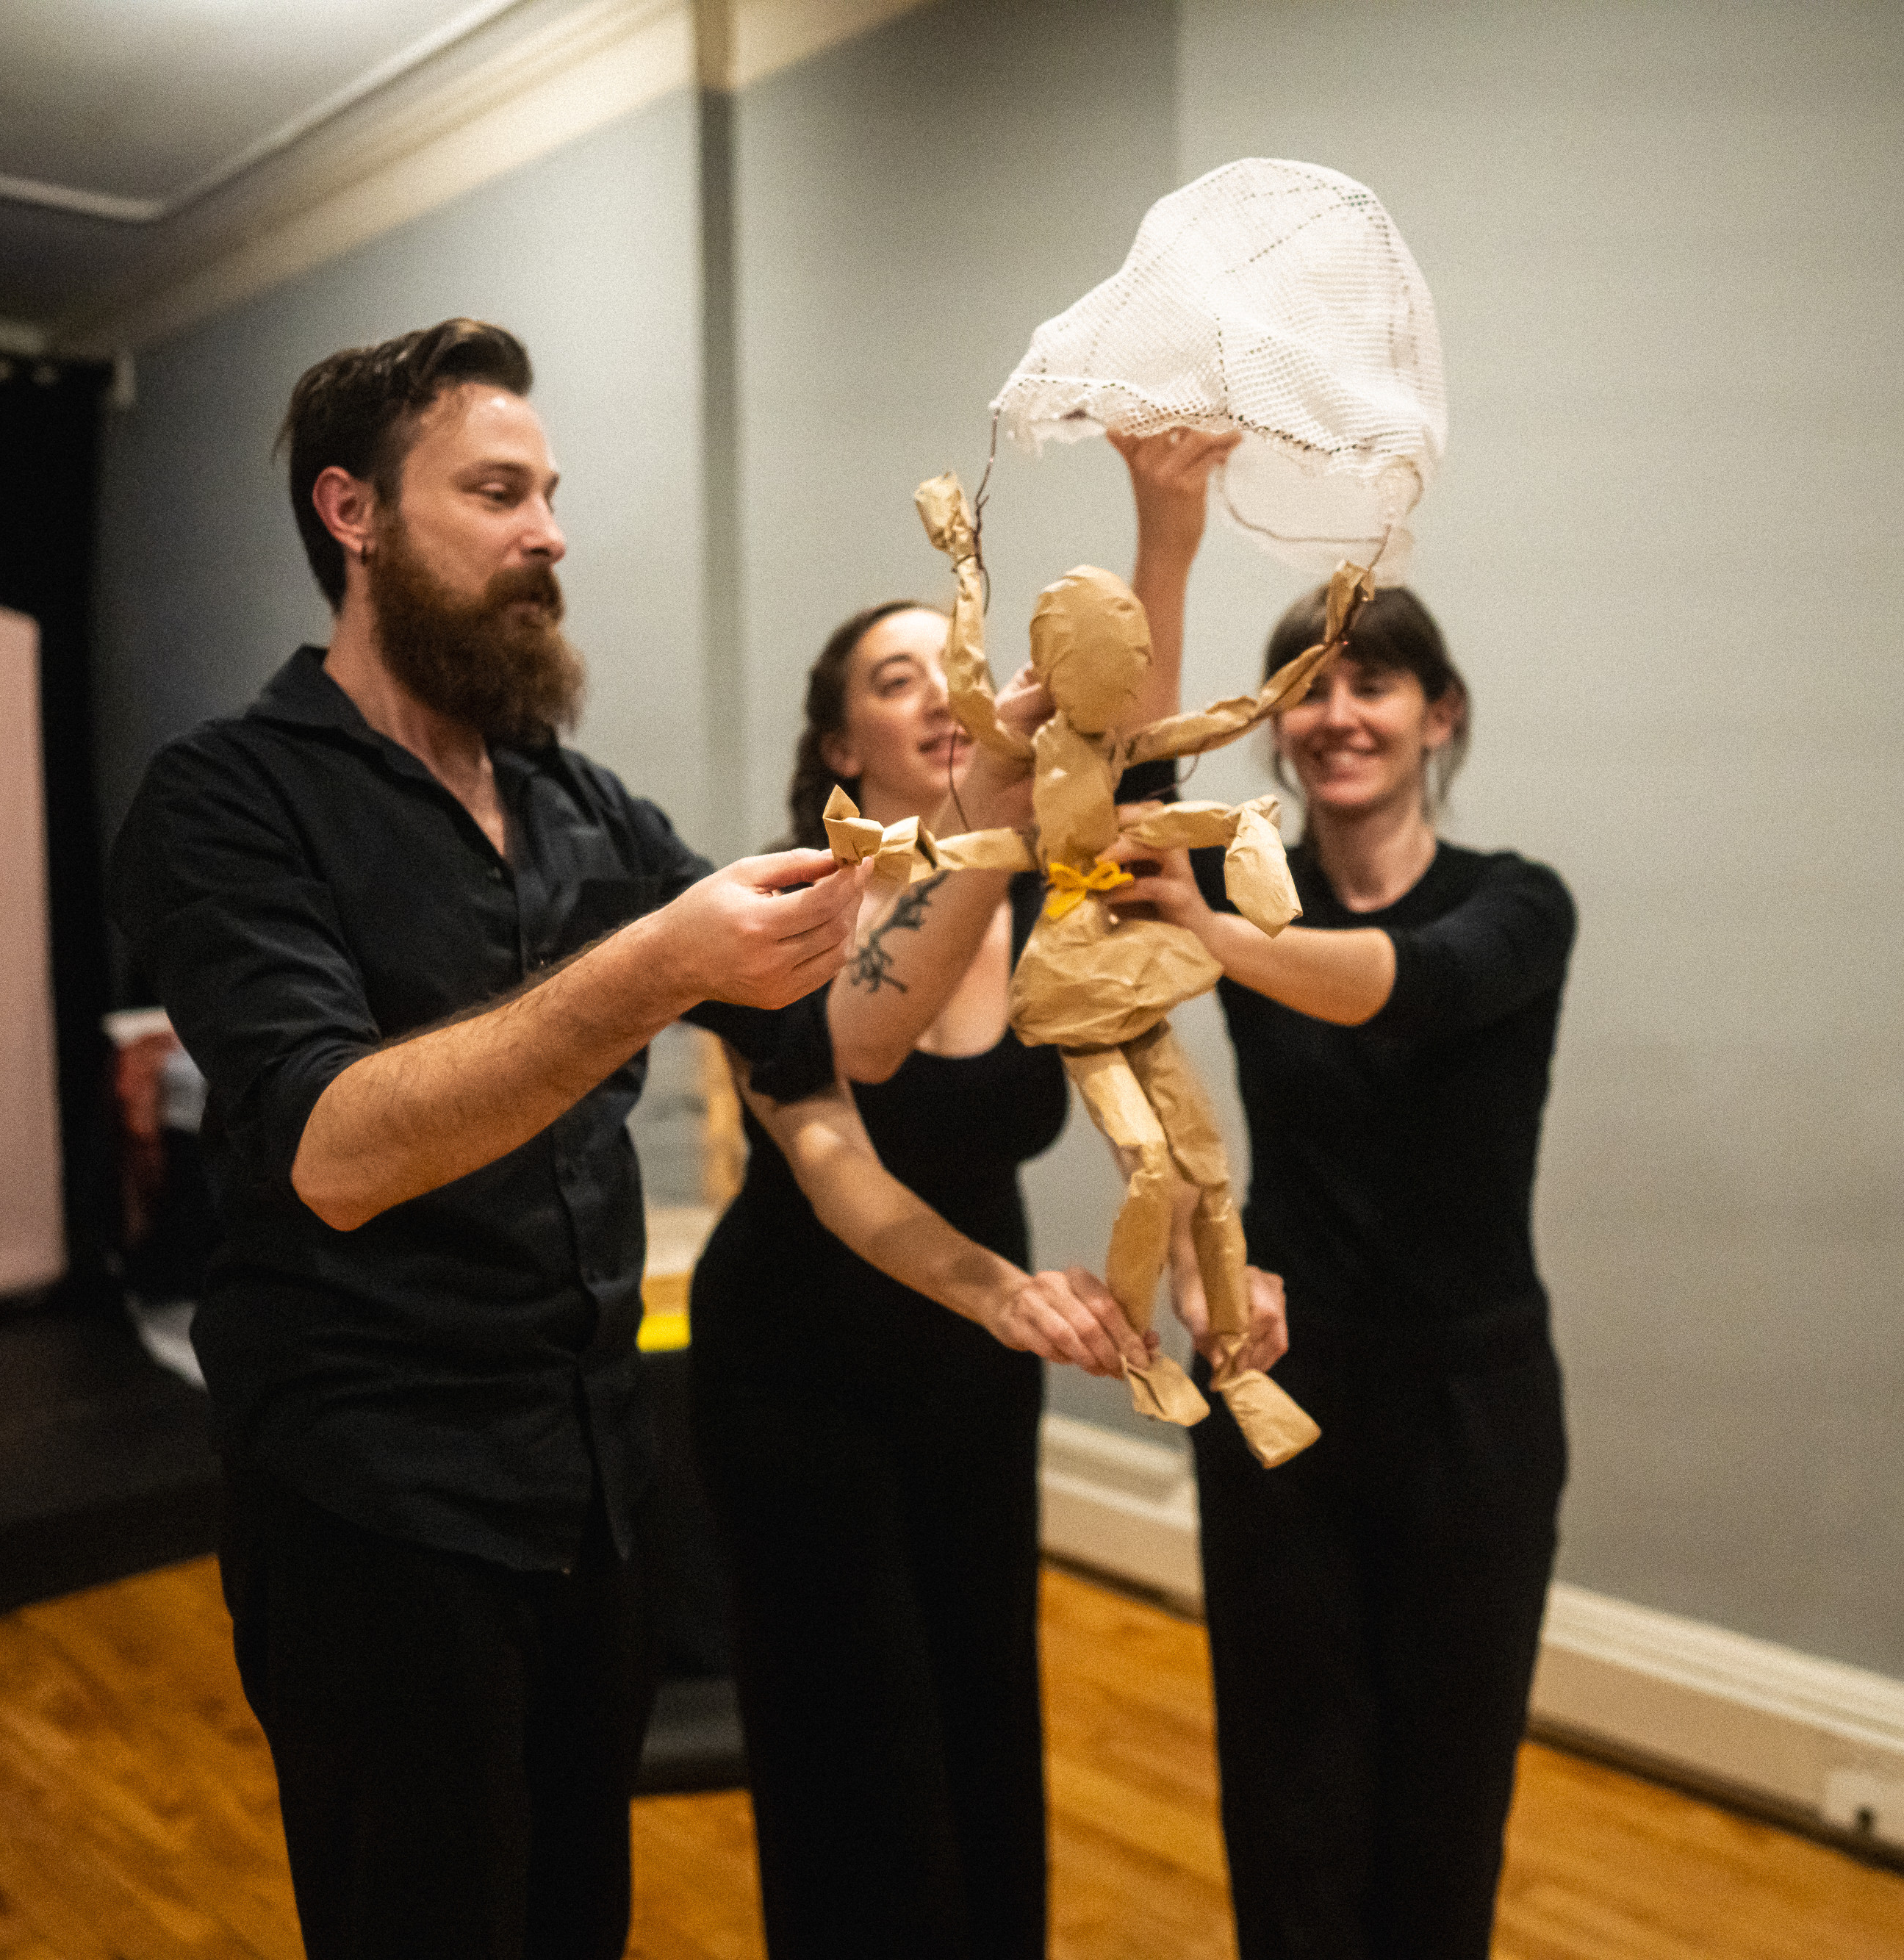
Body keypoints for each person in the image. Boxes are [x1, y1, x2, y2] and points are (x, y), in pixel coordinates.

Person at [107, 319, 1138, 1960]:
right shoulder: (229, 800)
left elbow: (819, 1090)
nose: (551, 534)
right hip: (378, 1509)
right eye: (498, 491)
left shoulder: (583, 810)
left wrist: (983, 1284)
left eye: (551, 492)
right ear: (351, 514)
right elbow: (332, 1148)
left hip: (589, 1497)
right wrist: (657, 959)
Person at [684, 429, 1237, 1960]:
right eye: (891, 674)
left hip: (971, 1376)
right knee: (859, 1771)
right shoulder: (777, 920)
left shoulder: (1037, 880)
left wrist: (1165, 525)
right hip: (794, 1375)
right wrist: (1002, 1289)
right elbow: (846, 1124)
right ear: (837, 746)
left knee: (985, 1727)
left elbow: (1130, 740)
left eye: (953, 662)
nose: (936, 688)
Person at [1110, 569, 1577, 1960]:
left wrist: (1212, 933)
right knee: (1290, 1796)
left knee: (1446, 1804)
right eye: (1306, 688)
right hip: (1283, 1392)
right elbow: (1132, 781)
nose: (1336, 715)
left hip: (1473, 1412)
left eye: (1371, 683)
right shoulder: (1251, 899)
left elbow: (1404, 986)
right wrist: (1199, 1260)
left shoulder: (1519, 905)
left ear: (1441, 716)